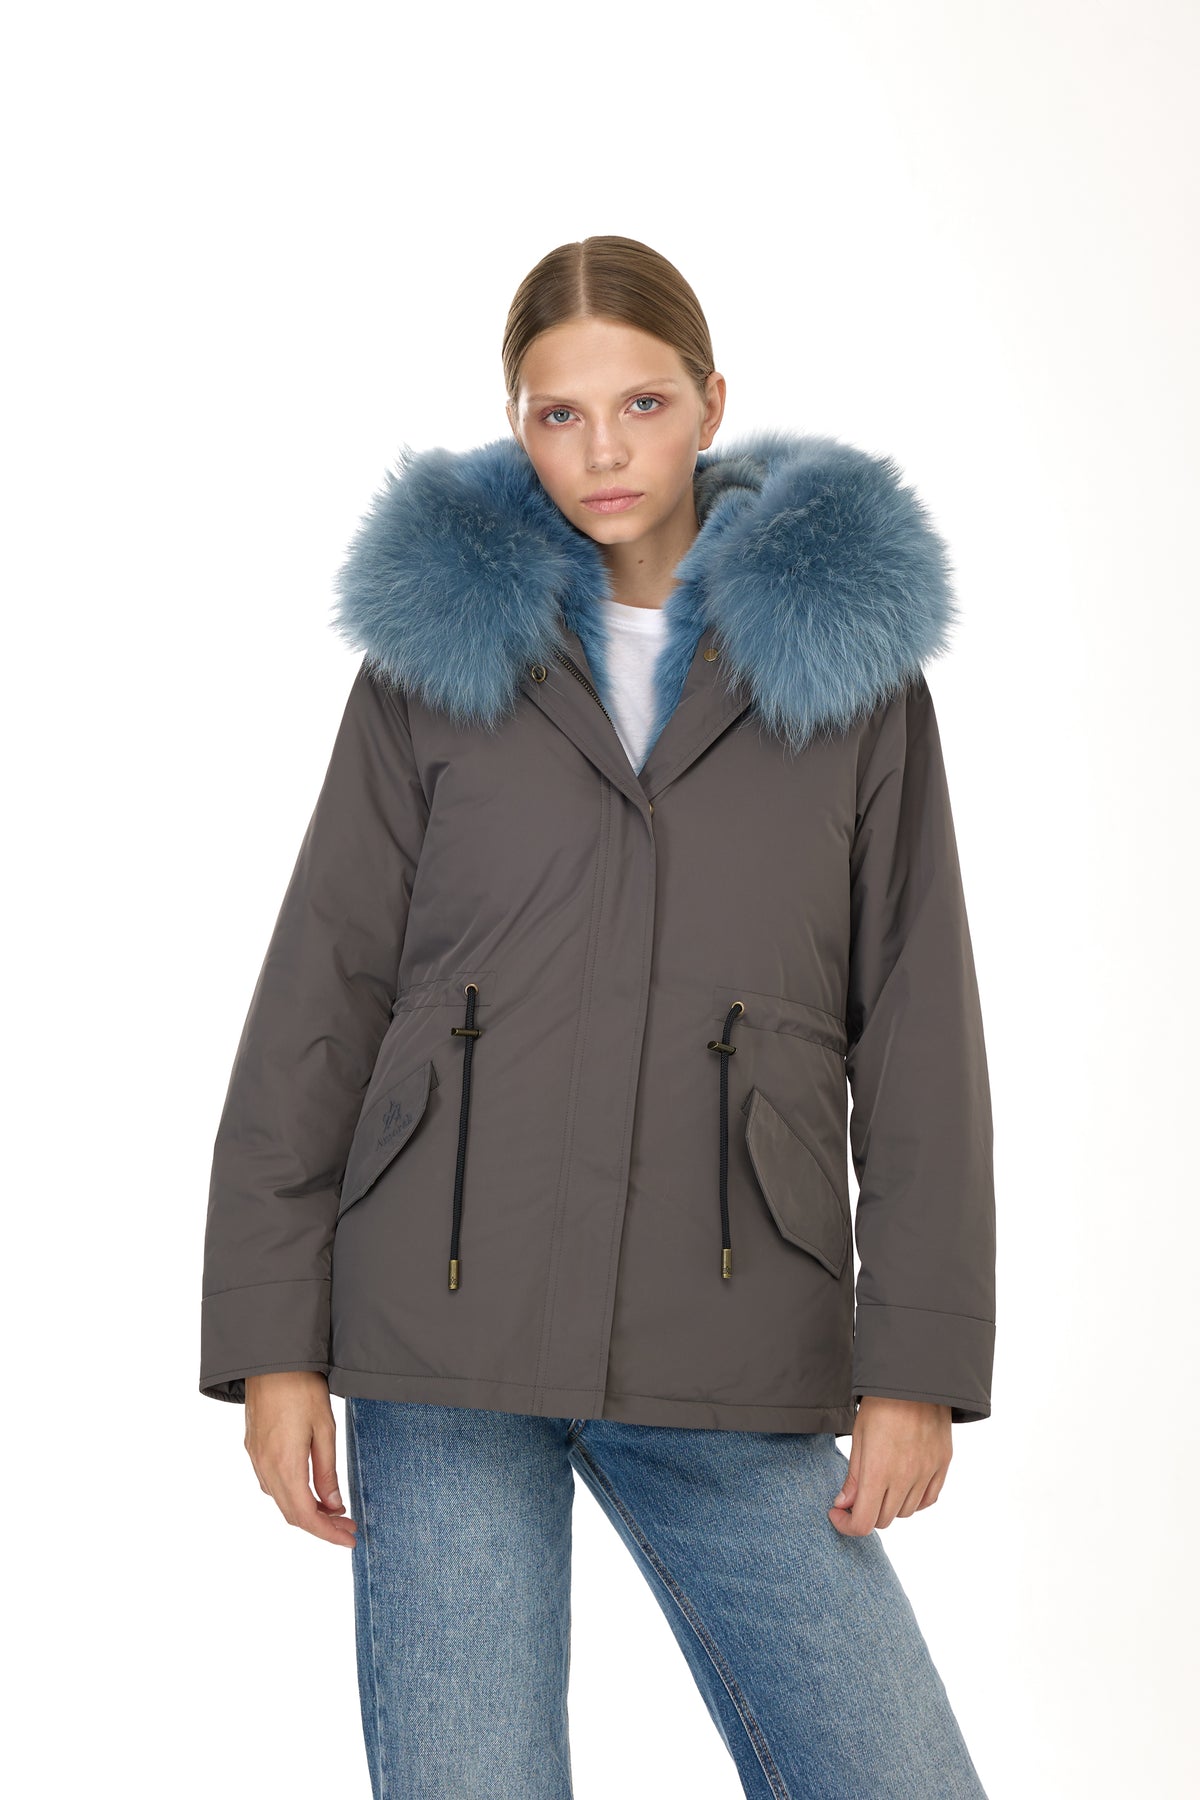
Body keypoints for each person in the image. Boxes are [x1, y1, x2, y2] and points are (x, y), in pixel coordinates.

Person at [200, 234, 996, 1798]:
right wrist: (271, 1342)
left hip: (732, 1330)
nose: (604, 452)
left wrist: (914, 1361)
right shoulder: (433, 669)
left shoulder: (848, 680)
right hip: (444, 1337)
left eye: (641, 404)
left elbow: (919, 1027)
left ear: (711, 401)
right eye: (557, 415)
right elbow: (323, 994)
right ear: (519, 427)